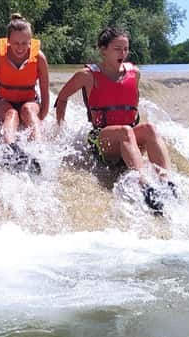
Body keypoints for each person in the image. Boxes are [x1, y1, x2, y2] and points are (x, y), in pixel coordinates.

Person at [54, 26, 176, 213]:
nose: (123, 53)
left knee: (149, 128)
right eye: (117, 49)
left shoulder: (134, 73)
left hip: (126, 142)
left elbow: (133, 108)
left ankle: (168, 184)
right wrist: (60, 129)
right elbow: (62, 98)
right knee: (125, 131)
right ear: (103, 50)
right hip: (101, 142)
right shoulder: (87, 75)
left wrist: (137, 141)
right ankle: (145, 187)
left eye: (126, 49)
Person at [0, 13, 50, 174]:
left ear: (31, 41)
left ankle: (38, 151)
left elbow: (45, 95)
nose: (20, 47)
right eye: (16, 43)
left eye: (25, 43)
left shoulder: (39, 58)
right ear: (8, 41)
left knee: (28, 110)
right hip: (4, 99)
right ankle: (10, 150)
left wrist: (41, 120)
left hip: (29, 100)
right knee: (11, 114)